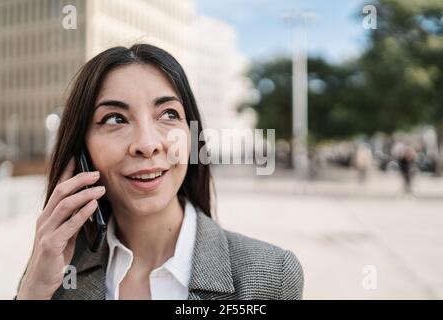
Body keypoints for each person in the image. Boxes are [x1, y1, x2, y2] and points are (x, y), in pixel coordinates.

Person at [15, 44, 303, 300]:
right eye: (115, 119)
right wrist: (32, 293)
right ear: (83, 151)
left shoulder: (270, 276)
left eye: (168, 114)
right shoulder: (55, 273)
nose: (147, 144)